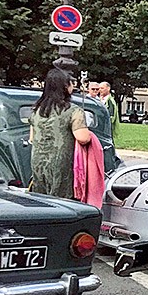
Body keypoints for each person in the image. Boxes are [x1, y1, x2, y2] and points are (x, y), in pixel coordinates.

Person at [28, 68, 93, 199]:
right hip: (62, 164)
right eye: (71, 83)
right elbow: (83, 138)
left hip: (38, 162)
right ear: (65, 86)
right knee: (61, 201)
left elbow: (32, 138)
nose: (73, 86)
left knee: (40, 199)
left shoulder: (37, 110)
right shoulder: (73, 110)